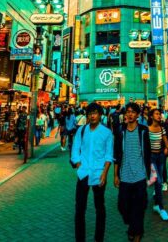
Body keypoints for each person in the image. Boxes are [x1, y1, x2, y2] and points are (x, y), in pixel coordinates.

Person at [72, 103, 114, 242]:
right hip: (83, 173)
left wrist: (105, 173)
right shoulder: (82, 130)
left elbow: (109, 155)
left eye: (95, 113)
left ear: (100, 115)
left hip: (98, 174)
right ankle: (80, 238)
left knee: (100, 208)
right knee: (79, 209)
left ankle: (99, 238)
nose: (92, 115)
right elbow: (75, 146)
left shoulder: (107, 132)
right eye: (90, 113)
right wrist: (77, 162)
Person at [113, 102, 152, 242]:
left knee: (139, 207)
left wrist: (151, 172)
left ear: (137, 114)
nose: (129, 114)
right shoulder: (120, 130)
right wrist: (115, 175)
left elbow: (148, 153)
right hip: (124, 176)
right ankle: (132, 227)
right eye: (127, 111)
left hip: (140, 175)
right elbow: (116, 154)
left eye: (132, 112)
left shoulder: (143, 130)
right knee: (123, 206)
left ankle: (137, 234)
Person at [148, 108, 168, 221]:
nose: (159, 116)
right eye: (156, 114)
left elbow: (167, 144)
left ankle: (156, 204)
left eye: (159, 114)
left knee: (158, 182)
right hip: (151, 158)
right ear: (151, 116)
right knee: (159, 182)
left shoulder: (162, 129)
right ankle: (161, 208)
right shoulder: (147, 130)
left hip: (160, 157)